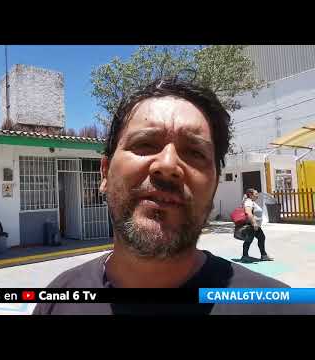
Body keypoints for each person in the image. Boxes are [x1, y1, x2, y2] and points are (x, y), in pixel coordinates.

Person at [33, 78, 315, 315]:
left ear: (215, 182)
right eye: (144, 144)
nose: (167, 165)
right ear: (105, 173)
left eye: (194, 152)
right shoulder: (58, 301)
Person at [241, 189, 274, 263]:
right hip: (252, 225)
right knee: (249, 240)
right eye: (255, 194)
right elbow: (248, 212)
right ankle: (245, 256)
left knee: (261, 238)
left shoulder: (252, 202)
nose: (257, 195)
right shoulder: (248, 202)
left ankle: (263, 255)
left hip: (255, 225)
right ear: (250, 194)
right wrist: (254, 223)